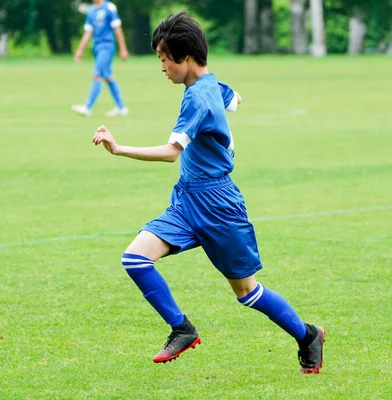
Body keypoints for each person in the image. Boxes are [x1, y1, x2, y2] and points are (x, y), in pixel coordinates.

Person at [91, 11, 325, 374]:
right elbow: (235, 99)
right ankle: (182, 329)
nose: (162, 68)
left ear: (184, 58)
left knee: (247, 293)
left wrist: (119, 148)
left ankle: (307, 335)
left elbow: (171, 153)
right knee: (135, 259)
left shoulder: (197, 98)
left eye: (164, 59)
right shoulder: (211, 85)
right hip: (187, 200)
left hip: (219, 205)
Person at [71, 0, 129, 117]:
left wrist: (123, 49)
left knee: (97, 74)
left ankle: (87, 107)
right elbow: (88, 32)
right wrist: (80, 49)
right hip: (96, 48)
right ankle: (121, 107)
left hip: (107, 46)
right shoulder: (91, 10)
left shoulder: (109, 7)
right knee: (108, 76)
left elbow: (117, 28)